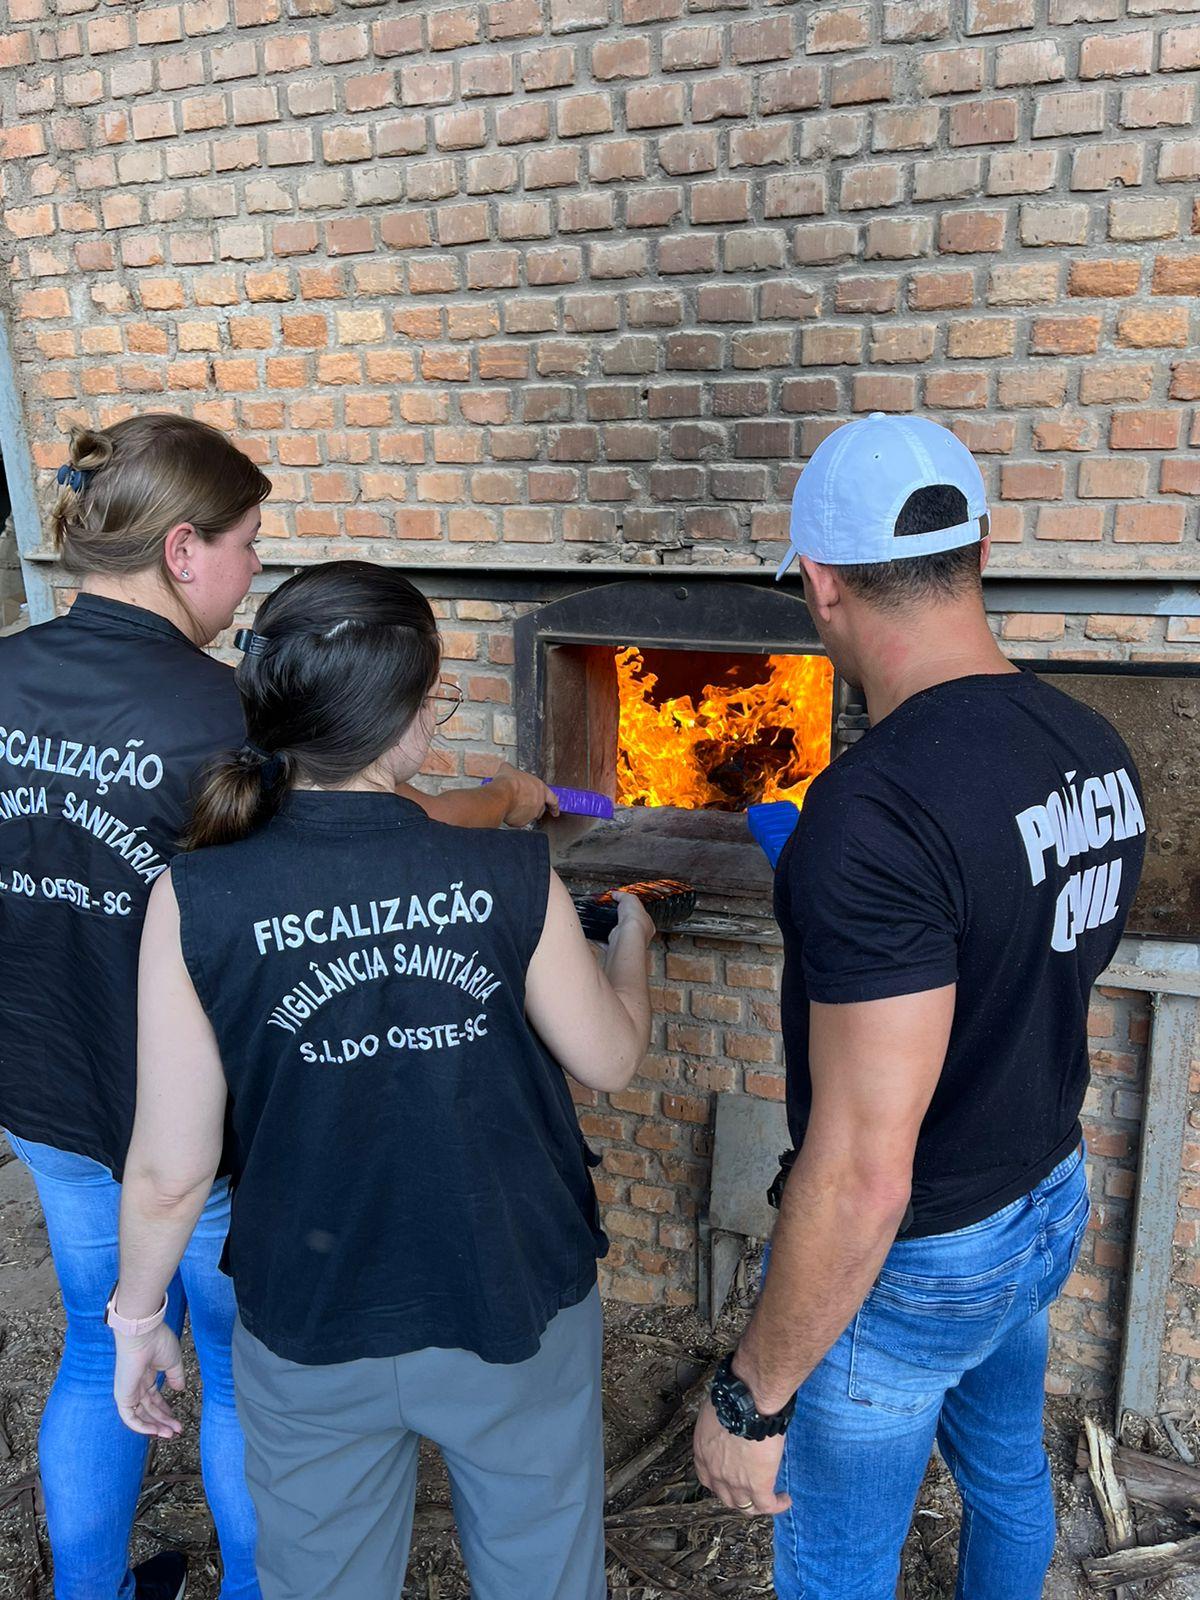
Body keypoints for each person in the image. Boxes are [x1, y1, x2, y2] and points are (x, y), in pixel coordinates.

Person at [0, 416, 556, 1600]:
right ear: (185, 549)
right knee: (254, 1383)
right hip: (205, 1135)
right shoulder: (222, 720)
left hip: (45, 1093)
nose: (257, 568)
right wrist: (498, 800)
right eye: (252, 541)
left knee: (104, 1340)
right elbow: (345, 851)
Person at [108, 559, 655, 1600]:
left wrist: (138, 1321)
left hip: (314, 1311)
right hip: (511, 1288)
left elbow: (170, 1169)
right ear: (407, 723)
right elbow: (611, 1058)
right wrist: (634, 946)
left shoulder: (195, 895)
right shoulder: (510, 871)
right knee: (543, 1572)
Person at [692, 413, 1147, 1600]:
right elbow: (1031, 956)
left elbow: (860, 1172)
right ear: (979, 552)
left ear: (823, 583)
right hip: (1043, 1194)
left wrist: (752, 1392)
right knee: (1004, 1472)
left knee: (838, 1562)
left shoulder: (873, 813)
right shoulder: (1092, 747)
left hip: (924, 1253)